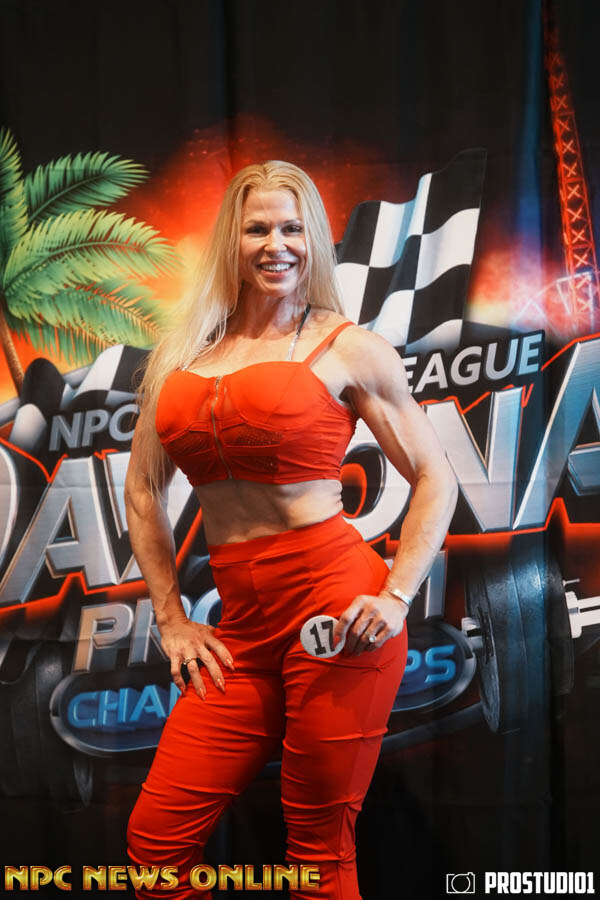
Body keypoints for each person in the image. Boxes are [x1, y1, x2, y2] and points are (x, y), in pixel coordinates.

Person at [125, 160, 457, 899]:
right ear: (232, 241)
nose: (276, 245)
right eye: (257, 229)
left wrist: (396, 596)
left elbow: (437, 477)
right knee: (154, 847)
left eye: (292, 228)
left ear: (314, 241)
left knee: (316, 852)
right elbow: (143, 490)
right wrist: (171, 618)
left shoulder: (348, 347)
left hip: (336, 615)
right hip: (240, 632)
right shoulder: (183, 354)